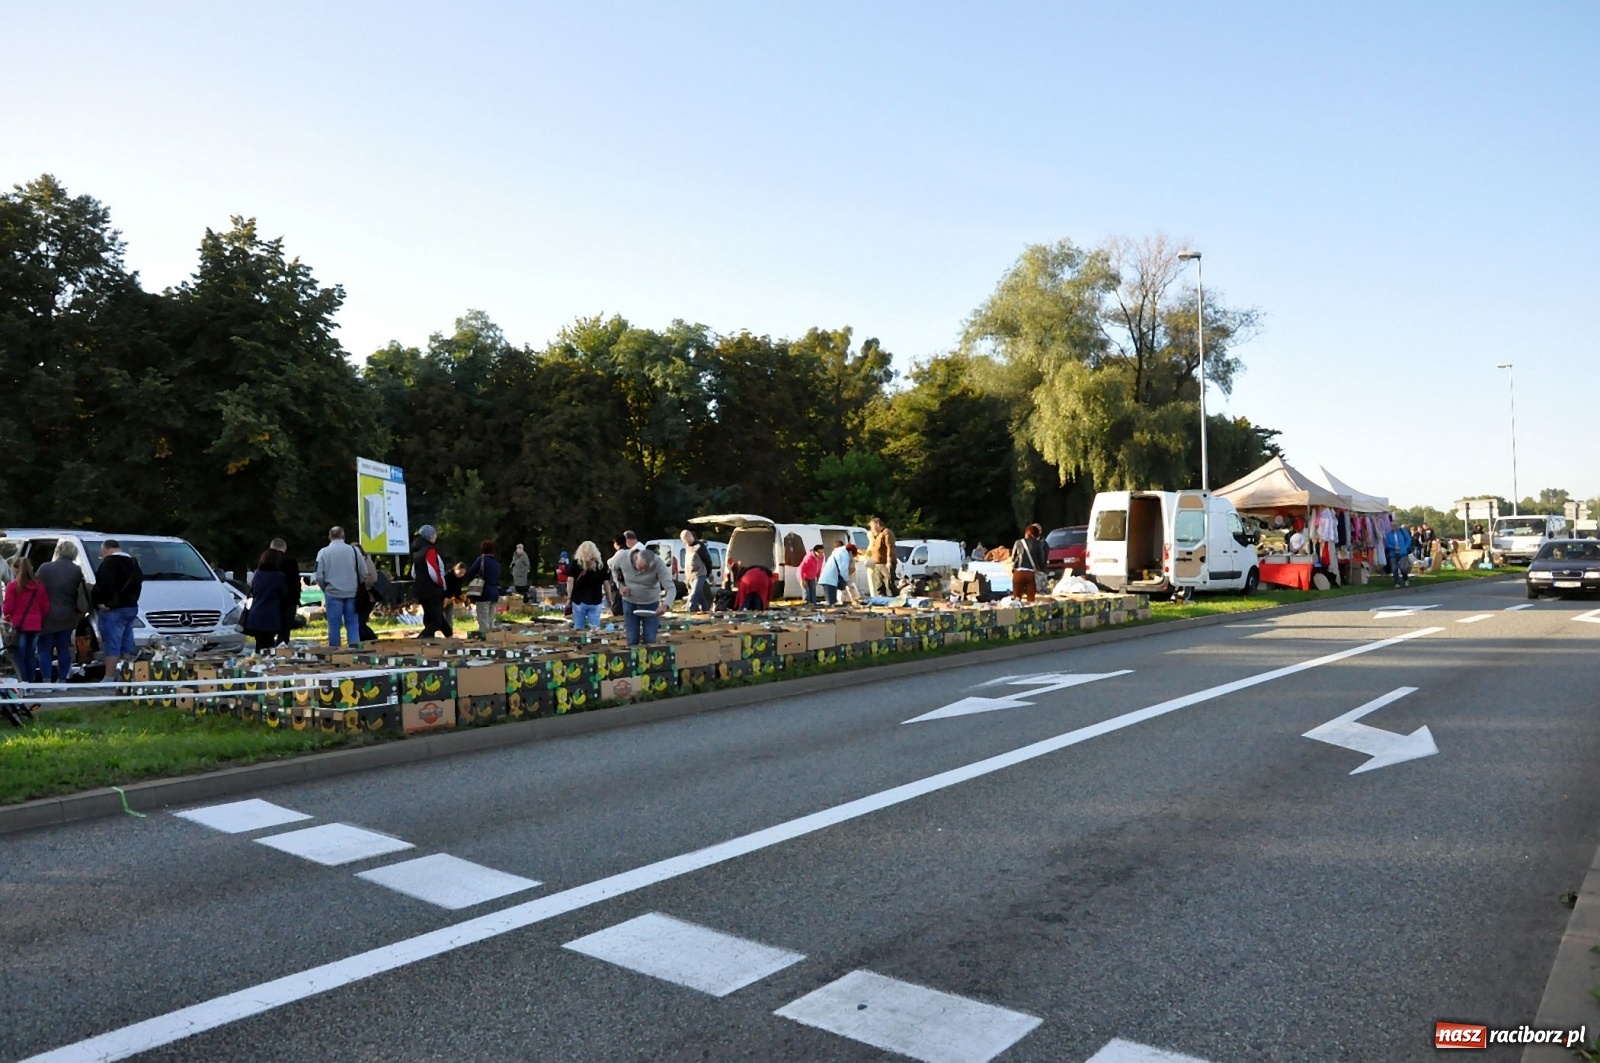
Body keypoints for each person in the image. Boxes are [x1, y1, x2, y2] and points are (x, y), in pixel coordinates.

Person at [37, 540, 89, 683]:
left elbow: (35, 589)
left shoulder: (45, 568)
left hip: (46, 614)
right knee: (63, 649)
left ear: (58, 551)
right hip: (67, 614)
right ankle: (62, 680)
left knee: (44, 649)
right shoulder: (76, 570)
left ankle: (46, 680)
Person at [92, 539, 143, 680]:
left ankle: (109, 677)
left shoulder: (109, 563)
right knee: (127, 642)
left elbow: (104, 585)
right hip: (131, 607)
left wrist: (101, 602)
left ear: (105, 550)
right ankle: (126, 675)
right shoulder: (133, 562)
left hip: (113, 609)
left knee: (112, 642)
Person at [314, 526, 362, 649]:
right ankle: (355, 650)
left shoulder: (323, 552)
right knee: (352, 623)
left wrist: (325, 588)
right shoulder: (354, 551)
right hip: (352, 592)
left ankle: (335, 651)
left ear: (329, 537)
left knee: (334, 625)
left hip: (332, 593)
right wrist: (357, 585)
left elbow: (319, 575)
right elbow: (363, 571)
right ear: (343, 535)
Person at [3, 557, 49, 681]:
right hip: (36, 625)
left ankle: (23, 683)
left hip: (20, 625)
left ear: (16, 569)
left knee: (19, 656)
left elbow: (7, 609)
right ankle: (31, 683)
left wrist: (10, 617)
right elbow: (45, 607)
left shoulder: (13, 587)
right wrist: (38, 618)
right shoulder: (39, 586)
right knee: (30, 655)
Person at [619, 547, 674, 645]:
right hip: (630, 602)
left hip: (650, 604)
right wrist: (620, 586)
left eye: (646, 569)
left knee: (650, 638)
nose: (642, 571)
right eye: (640, 568)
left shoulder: (659, 564)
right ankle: (633, 658)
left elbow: (671, 588)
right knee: (632, 638)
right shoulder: (622, 557)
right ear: (636, 559)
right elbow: (613, 570)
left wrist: (666, 604)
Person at [245, 548, 289, 653]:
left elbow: (253, 591)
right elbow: (284, 593)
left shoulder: (257, 574)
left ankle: (256, 663)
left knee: (259, 644)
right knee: (269, 645)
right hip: (270, 616)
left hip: (256, 614)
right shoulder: (279, 576)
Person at [411, 525, 450, 638]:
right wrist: (441, 584)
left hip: (420, 590)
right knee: (436, 620)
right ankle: (421, 639)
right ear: (430, 536)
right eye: (434, 535)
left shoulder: (417, 552)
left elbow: (413, 572)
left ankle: (447, 635)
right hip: (432, 591)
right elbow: (433, 570)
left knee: (429, 618)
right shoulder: (430, 550)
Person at [566, 541, 607, 630]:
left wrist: (569, 597)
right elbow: (606, 582)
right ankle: (594, 642)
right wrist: (609, 598)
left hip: (578, 599)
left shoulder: (575, 563)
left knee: (579, 627)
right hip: (596, 599)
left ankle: (580, 642)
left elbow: (570, 580)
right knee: (594, 628)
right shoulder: (600, 565)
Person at [464, 540, 502, 635]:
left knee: (483, 618)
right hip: (494, 592)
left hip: (483, 592)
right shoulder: (496, 564)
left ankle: (485, 639)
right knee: (490, 619)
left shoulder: (481, 560)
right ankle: (492, 638)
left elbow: (471, 572)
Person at [270, 537, 300, 646]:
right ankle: (281, 652)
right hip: (288, 601)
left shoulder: (266, 561)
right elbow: (296, 583)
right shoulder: (291, 561)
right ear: (284, 548)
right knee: (284, 631)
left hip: (270, 601)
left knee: (268, 632)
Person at [1010, 523, 1047, 602]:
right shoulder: (1038, 544)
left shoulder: (1018, 542)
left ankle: (1017, 610)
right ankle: (1030, 612)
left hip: (1018, 573)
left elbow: (1013, 558)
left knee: (1017, 598)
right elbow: (1041, 560)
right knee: (1031, 599)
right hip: (1030, 573)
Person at [680, 529, 712, 613]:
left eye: (686, 540)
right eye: (684, 541)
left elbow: (708, 560)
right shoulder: (687, 547)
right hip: (690, 575)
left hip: (700, 573)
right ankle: (706, 611)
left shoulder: (699, 546)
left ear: (690, 536)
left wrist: (708, 573)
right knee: (701, 596)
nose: (686, 543)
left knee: (694, 593)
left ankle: (689, 611)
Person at [867, 517, 897, 597]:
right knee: (879, 585)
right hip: (877, 564)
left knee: (889, 584)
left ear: (877, 524)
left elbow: (889, 547)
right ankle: (882, 600)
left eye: (872, 526)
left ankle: (895, 599)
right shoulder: (876, 535)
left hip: (885, 563)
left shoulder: (886, 532)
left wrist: (889, 561)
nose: (871, 529)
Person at [816, 539, 851, 607]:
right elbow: (843, 568)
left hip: (827, 579)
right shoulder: (842, 553)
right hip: (829, 580)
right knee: (831, 602)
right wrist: (846, 579)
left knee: (831, 601)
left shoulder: (836, 552)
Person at [1384, 522, 1414, 587]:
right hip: (1393, 553)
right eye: (1392, 525)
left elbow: (1408, 539)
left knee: (1403, 567)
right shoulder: (1388, 534)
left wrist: (1404, 547)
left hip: (1403, 553)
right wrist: (1393, 547)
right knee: (1394, 568)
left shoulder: (1402, 532)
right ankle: (1397, 582)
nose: (1394, 527)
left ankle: (1405, 579)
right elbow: (1386, 544)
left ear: (1398, 526)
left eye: (1395, 525)